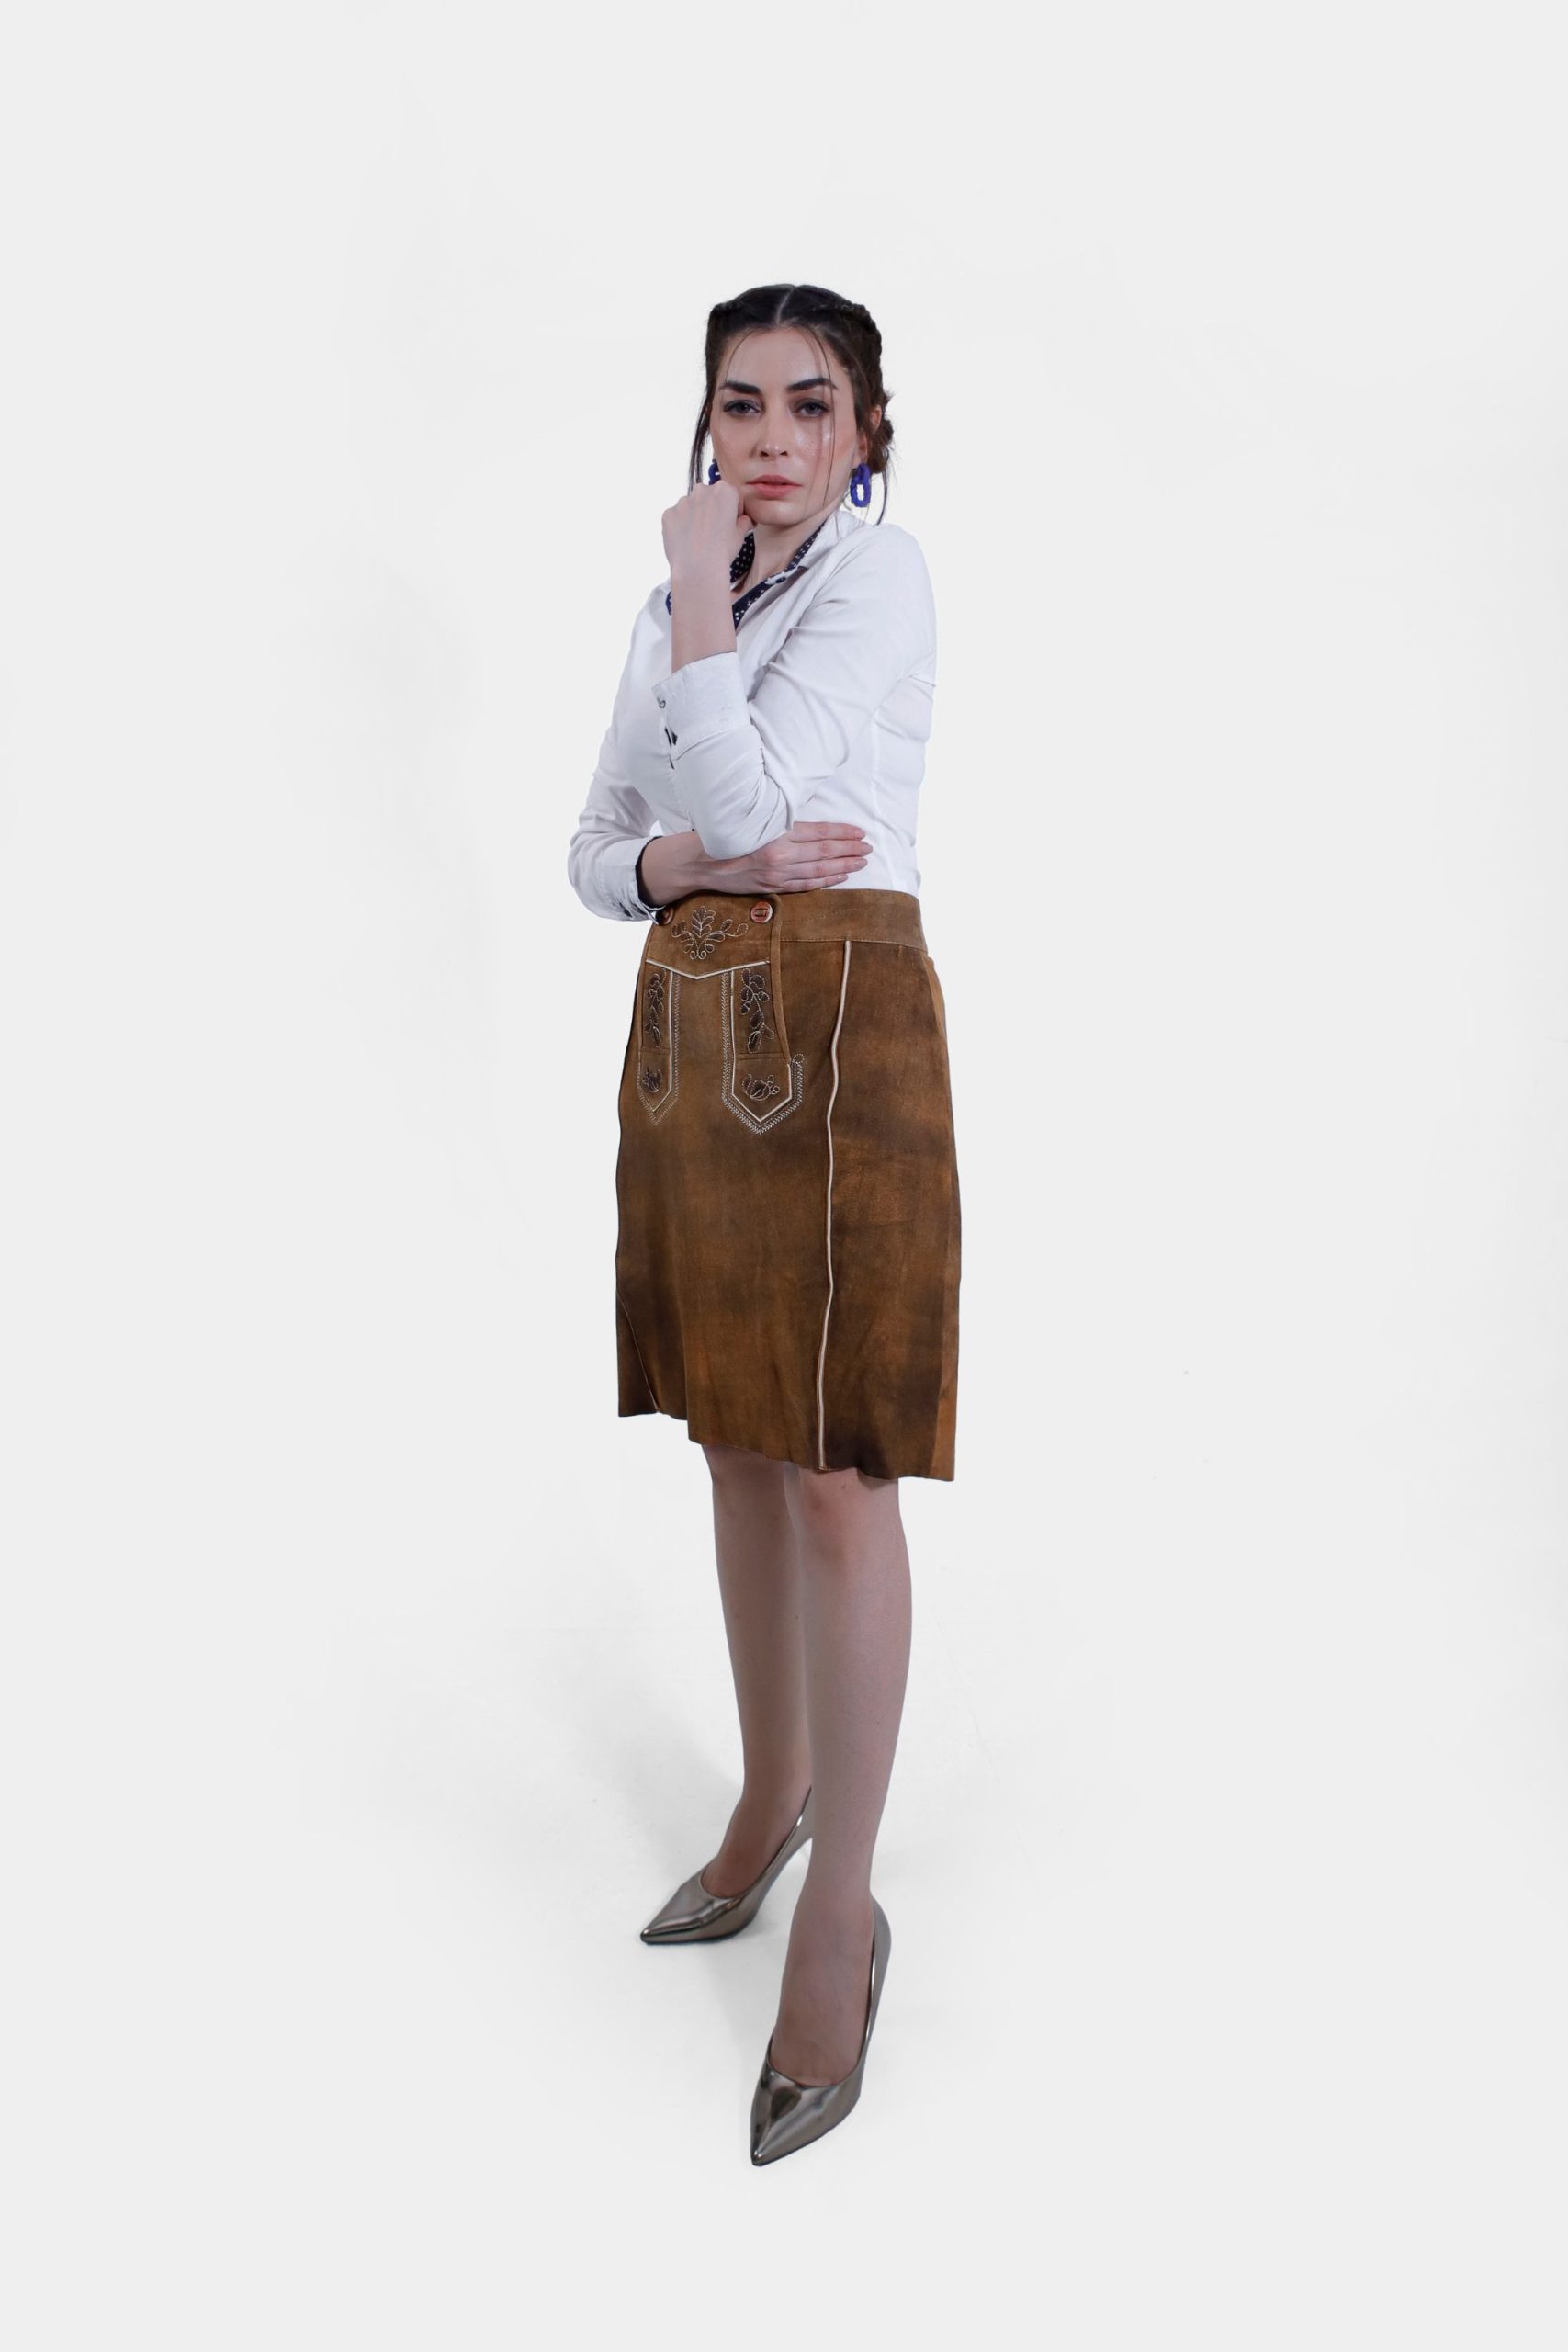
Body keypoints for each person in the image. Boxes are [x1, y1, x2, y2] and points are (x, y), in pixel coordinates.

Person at [566, 283, 961, 2164]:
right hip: (693, 1027)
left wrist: (696, 614)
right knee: (732, 1442)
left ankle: (839, 1900)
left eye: (813, 404)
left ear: (865, 429)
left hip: (839, 1018)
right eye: (742, 404)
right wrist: (690, 858)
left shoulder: (873, 582)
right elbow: (595, 850)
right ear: (707, 424)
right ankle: (766, 1795)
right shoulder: (674, 608)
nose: (775, 438)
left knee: (833, 1470)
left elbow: (749, 785)